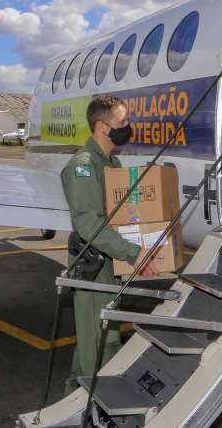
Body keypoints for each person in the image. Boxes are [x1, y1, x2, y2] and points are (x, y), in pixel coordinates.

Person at [61, 94, 162, 396]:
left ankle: (73, 401)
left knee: (99, 342)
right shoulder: (83, 165)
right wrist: (133, 253)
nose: (128, 126)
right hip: (93, 267)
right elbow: (88, 224)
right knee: (98, 348)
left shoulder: (111, 163)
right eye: (123, 121)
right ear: (102, 126)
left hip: (109, 264)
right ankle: (91, 406)